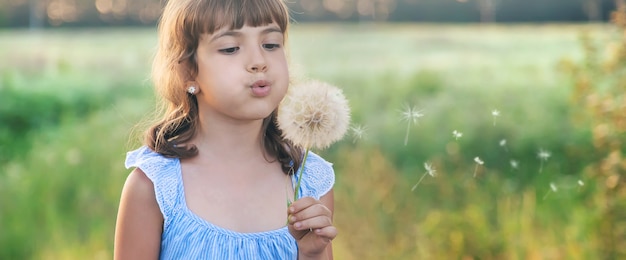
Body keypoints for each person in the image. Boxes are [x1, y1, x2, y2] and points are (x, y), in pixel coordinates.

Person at [113, 0, 337, 259]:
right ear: (188, 72)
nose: (258, 61)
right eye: (231, 48)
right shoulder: (154, 187)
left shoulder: (310, 181)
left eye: (271, 44)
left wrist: (311, 253)